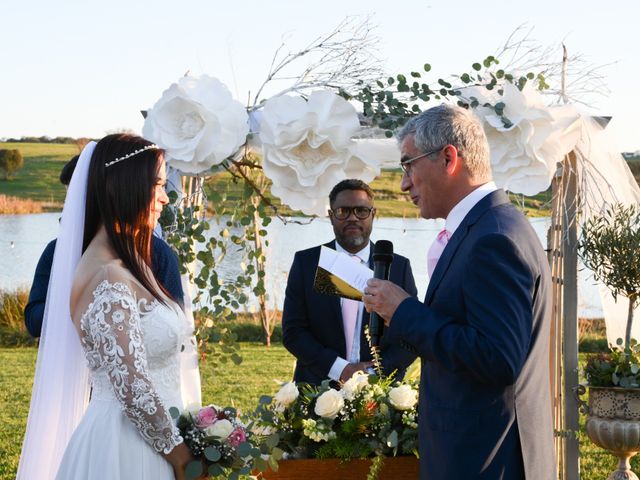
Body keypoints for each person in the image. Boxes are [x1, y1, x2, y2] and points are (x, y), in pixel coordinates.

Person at [362, 105, 555, 479]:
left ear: (448, 158)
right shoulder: (488, 226)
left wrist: (403, 312)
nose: (403, 184)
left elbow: (496, 357)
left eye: (408, 165)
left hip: (486, 460)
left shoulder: (494, 239)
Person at [17, 135, 199, 480]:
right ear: (124, 187)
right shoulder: (106, 275)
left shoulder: (135, 260)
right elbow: (131, 386)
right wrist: (178, 455)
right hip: (128, 448)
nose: (164, 197)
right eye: (157, 185)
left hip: (154, 436)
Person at [24, 155, 184, 337]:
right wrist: (84, 292)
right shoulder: (56, 251)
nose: (70, 205)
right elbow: (33, 322)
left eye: (77, 195)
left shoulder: (158, 253)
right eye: (69, 197)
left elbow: (176, 325)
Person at [282, 179, 418, 386]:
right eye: (343, 211)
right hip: (317, 392)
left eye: (361, 211)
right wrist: (340, 369)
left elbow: (410, 336)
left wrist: (374, 372)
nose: (352, 218)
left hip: (380, 393)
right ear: (331, 216)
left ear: (373, 214)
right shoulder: (307, 262)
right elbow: (294, 332)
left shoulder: (398, 267)